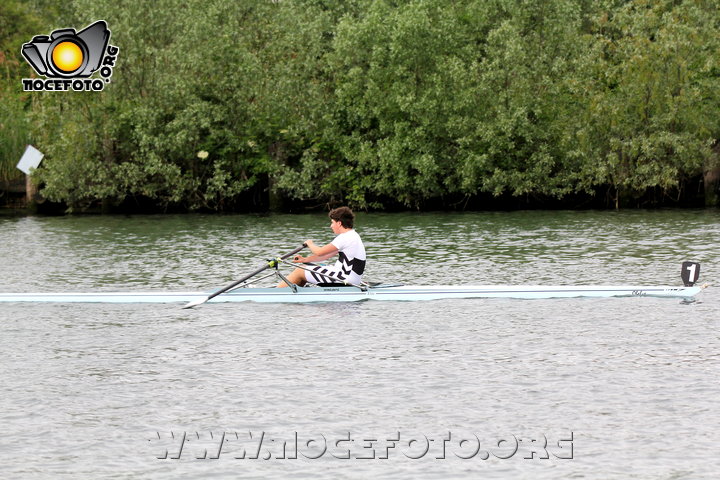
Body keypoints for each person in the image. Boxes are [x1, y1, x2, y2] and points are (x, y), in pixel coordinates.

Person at [277, 206, 366, 287]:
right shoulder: (353, 235)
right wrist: (305, 260)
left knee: (299, 271)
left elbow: (319, 252)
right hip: (350, 278)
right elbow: (325, 255)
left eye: (332, 222)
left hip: (345, 279)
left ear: (339, 223)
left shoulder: (345, 237)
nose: (331, 226)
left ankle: (277, 293)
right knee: (303, 266)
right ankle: (295, 292)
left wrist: (310, 244)